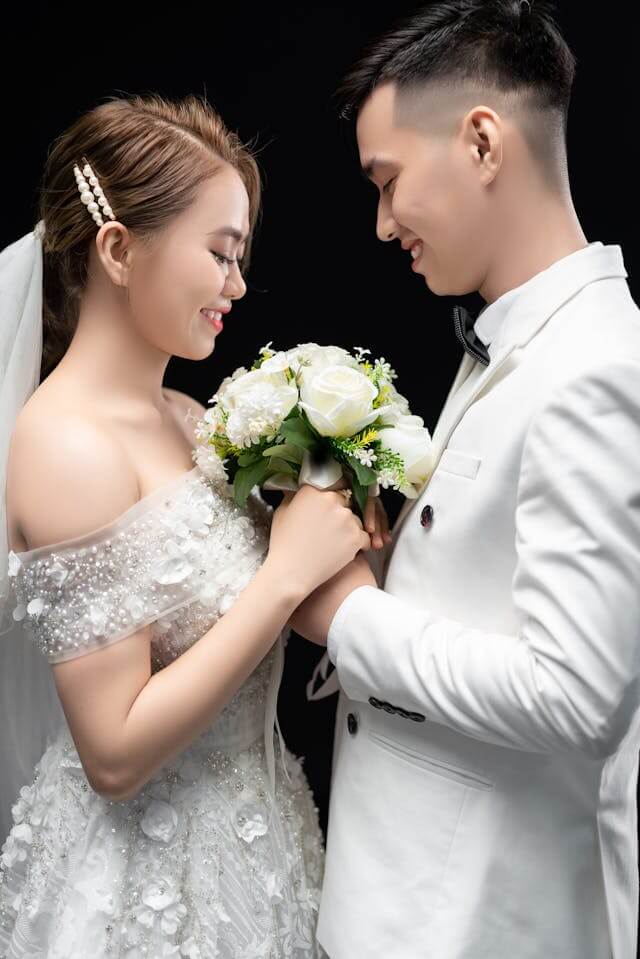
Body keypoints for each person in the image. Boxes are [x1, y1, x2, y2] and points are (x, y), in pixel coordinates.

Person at [0, 92, 382, 958]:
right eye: (219, 253)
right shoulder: (65, 444)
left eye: (239, 258)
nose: (236, 286)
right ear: (117, 249)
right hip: (147, 884)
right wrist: (285, 572)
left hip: (261, 842)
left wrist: (340, 532)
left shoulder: (187, 416)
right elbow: (114, 754)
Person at [294, 3, 640, 957]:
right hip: (407, 897)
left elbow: (577, 697)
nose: (382, 224)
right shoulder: (520, 334)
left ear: (483, 142)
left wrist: (348, 615)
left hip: (474, 922)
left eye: (388, 181)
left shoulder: (597, 367)